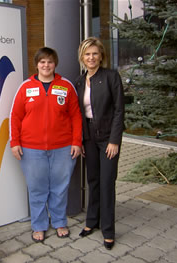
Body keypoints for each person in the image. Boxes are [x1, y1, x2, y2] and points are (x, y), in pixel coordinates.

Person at [9, 47, 82, 242]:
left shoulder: (66, 86)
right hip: (31, 149)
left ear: (55, 64)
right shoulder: (25, 87)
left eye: (50, 61)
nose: (46, 65)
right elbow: (15, 117)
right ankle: (39, 225)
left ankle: (59, 222)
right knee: (37, 188)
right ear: (37, 64)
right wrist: (14, 142)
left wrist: (76, 141)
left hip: (63, 147)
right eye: (42, 62)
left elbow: (76, 116)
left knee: (60, 187)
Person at [75, 37, 125, 250]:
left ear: (101, 56)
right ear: (82, 57)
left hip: (107, 139)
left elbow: (119, 110)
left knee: (106, 183)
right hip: (89, 137)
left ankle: (108, 230)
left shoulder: (111, 76)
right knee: (93, 180)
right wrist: (82, 140)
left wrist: (114, 140)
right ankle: (91, 221)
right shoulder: (79, 81)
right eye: (87, 54)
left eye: (95, 53)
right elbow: (78, 114)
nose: (91, 57)